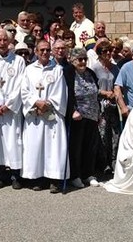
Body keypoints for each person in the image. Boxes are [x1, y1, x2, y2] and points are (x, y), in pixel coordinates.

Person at [21, 39, 68, 193]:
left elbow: (60, 92)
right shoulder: (29, 70)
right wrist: (36, 102)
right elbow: (24, 91)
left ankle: (54, 179)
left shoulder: (57, 69)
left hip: (52, 114)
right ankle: (38, 178)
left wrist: (47, 104)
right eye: (42, 50)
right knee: (36, 146)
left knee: (53, 148)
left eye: (47, 50)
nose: (45, 53)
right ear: (36, 51)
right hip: (34, 113)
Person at [0, 29, 26, 189]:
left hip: (10, 109)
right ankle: (0, 175)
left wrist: (9, 105)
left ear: (10, 42)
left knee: (13, 142)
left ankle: (15, 175)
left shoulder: (18, 60)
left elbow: (21, 84)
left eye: (4, 40)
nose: (2, 43)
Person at [66, 48, 100, 188]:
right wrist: (72, 111)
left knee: (90, 146)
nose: (83, 62)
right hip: (78, 116)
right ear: (72, 60)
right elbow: (66, 94)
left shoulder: (90, 72)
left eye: (85, 59)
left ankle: (88, 174)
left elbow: (95, 92)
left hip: (92, 115)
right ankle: (76, 175)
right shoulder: (68, 73)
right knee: (76, 147)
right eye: (79, 59)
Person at [91, 40, 120, 176]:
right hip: (101, 106)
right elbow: (92, 88)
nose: (108, 53)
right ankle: (103, 164)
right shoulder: (94, 68)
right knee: (102, 135)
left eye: (109, 51)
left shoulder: (115, 68)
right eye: (104, 51)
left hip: (113, 106)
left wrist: (115, 93)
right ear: (99, 54)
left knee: (115, 135)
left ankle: (113, 160)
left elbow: (119, 84)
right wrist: (104, 92)